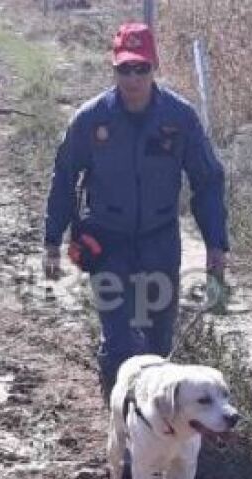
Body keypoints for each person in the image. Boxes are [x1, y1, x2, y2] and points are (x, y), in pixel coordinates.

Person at [42, 22, 229, 403]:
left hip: (160, 240)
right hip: (107, 242)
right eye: (125, 68)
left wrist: (216, 243)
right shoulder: (91, 119)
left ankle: (153, 419)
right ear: (113, 69)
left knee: (158, 344)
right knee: (121, 341)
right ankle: (122, 427)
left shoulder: (180, 118)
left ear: (154, 66)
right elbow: (64, 177)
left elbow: (207, 180)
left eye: (141, 68)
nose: (133, 78)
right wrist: (51, 241)